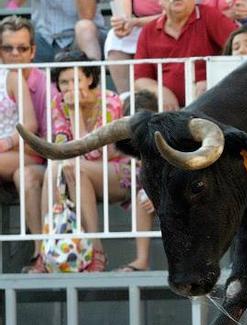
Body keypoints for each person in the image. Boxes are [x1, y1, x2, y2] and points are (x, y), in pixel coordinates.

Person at [26, 51, 127, 273]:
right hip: (79, 170)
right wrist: (70, 110)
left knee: (72, 166)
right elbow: (61, 146)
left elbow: (94, 153)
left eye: (76, 80)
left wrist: (75, 111)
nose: (70, 87)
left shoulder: (110, 102)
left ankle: (97, 252)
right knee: (55, 166)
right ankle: (47, 248)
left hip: (117, 171)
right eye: (64, 82)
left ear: (89, 79)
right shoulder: (57, 102)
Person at [0, 16, 46, 273]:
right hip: (11, 158)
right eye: (8, 48)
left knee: (25, 174)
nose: (15, 54)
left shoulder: (15, 78)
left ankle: (41, 251)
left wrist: (5, 143)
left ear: (31, 51)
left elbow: (30, 125)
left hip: (26, 152)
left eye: (21, 48)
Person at [133, 0, 237, 111]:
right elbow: (140, 79)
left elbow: (242, 48)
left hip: (209, 104)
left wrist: (212, 80)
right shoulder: (148, 30)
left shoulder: (210, 16)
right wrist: (160, 91)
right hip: (166, 111)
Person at [116, 89, 159, 271]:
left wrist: (156, 195)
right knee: (142, 197)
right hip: (135, 183)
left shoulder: (161, 137)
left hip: (166, 191)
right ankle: (142, 260)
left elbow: (166, 173)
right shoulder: (124, 141)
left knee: (144, 196)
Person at [104, 0, 163, 96]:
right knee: (114, 38)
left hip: (170, 23)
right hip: (138, 24)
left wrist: (136, 22)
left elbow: (172, 14)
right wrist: (123, 24)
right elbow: (124, 16)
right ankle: (127, 98)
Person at [30, 0, 107, 63]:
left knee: (85, 28)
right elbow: (17, 4)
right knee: (22, 38)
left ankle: (93, 79)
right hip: (44, 39)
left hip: (81, 39)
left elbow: (86, 15)